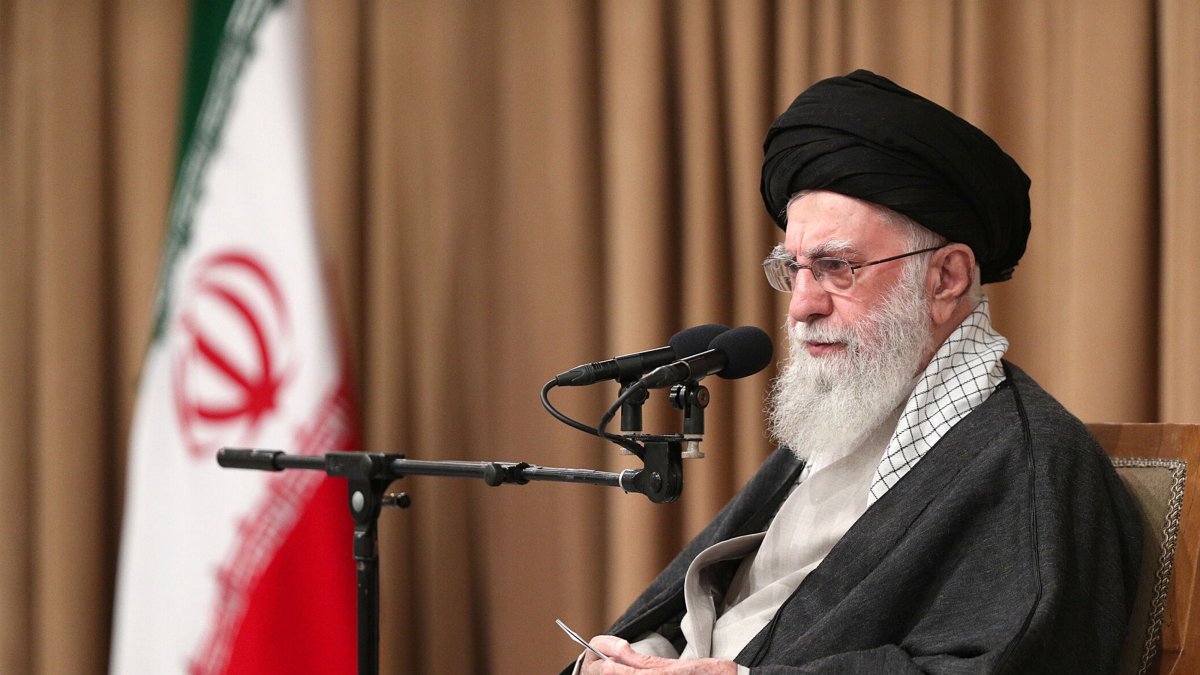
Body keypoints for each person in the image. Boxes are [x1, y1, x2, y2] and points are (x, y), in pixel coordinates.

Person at [569, 70, 1142, 674]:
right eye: (794, 270)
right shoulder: (851, 417)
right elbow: (719, 607)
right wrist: (638, 657)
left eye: (837, 267)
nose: (801, 305)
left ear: (946, 277)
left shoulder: (1032, 464)